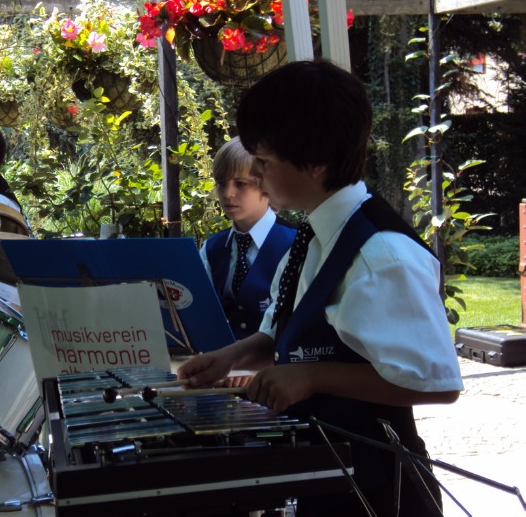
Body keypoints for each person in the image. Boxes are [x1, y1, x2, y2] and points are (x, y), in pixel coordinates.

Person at [178, 60, 464, 516]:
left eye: (265, 162)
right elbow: (287, 332)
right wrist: (230, 357)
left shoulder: (381, 256)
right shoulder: (313, 236)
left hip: (380, 492)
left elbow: (435, 384)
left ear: (315, 162)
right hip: (330, 478)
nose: (258, 175)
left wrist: (310, 377)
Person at [200, 137, 296, 341]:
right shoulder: (212, 248)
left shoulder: (295, 245)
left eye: (240, 184)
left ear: (266, 185)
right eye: (221, 183)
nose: (228, 193)